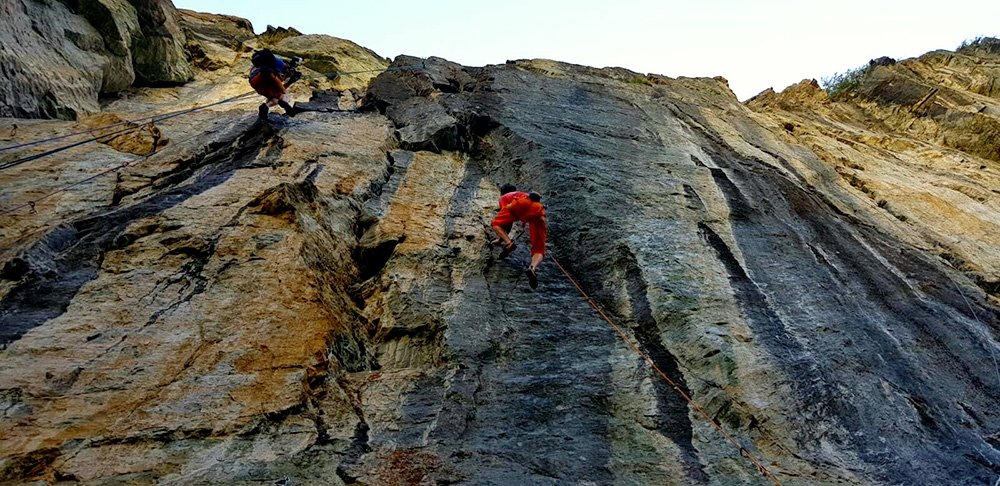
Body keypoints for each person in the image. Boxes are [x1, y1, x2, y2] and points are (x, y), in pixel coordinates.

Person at [492, 190, 547, 289]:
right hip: (537, 215)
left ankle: (508, 243)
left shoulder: (505, 198)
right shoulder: (530, 199)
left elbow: (507, 222)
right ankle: (532, 268)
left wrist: (504, 240)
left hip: (518, 208)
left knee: (496, 224)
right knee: (539, 249)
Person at [249, 49, 303, 120]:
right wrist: (290, 81)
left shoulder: (265, 63)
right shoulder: (280, 64)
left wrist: (286, 76)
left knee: (273, 97)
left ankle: (266, 106)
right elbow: (279, 85)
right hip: (267, 79)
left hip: (254, 81)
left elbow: (276, 81)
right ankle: (283, 102)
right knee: (283, 95)